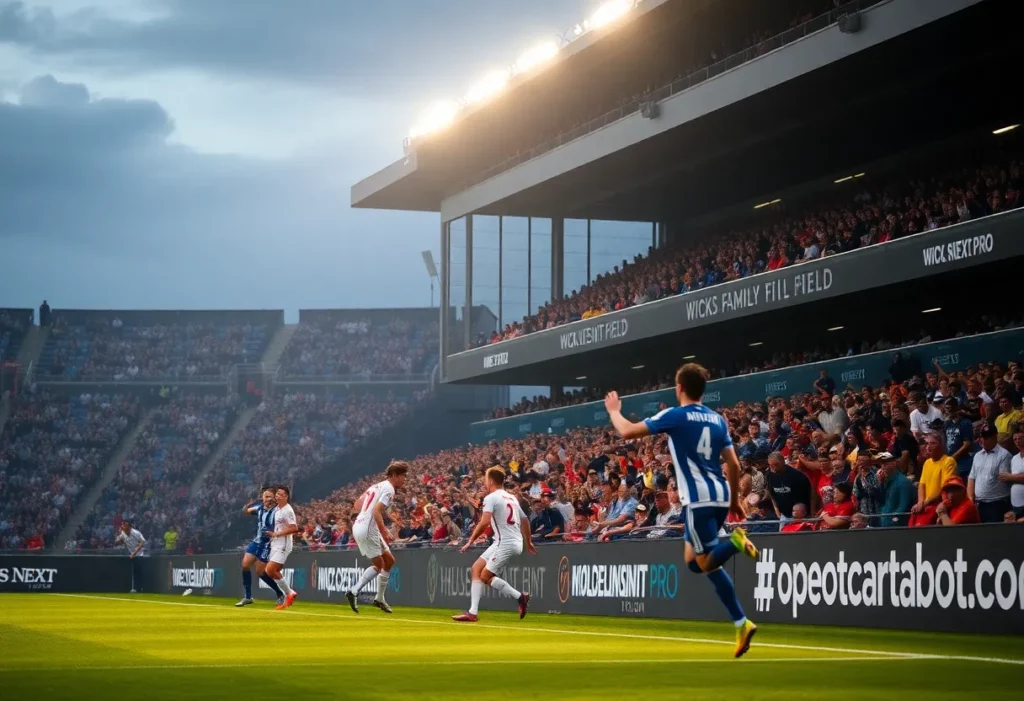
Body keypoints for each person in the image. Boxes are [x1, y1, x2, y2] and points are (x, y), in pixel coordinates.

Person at [603, 363, 759, 659]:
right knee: (696, 562)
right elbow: (735, 465)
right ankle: (741, 622)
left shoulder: (675, 415)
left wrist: (613, 410)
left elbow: (626, 432)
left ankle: (735, 543)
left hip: (698, 499)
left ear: (679, 389)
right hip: (721, 494)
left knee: (706, 559)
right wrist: (736, 500)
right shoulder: (717, 419)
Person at [452, 466, 536, 622]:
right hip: (507, 541)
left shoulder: (491, 498)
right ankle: (472, 612)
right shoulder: (511, 497)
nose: (484, 482)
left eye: (485, 479)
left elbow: (484, 522)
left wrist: (470, 540)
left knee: (485, 575)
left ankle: (520, 597)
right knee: (476, 568)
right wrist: (528, 541)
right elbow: (524, 520)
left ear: (490, 480)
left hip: (506, 543)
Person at [346, 461, 409, 614]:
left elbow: (359, 504)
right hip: (368, 528)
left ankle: (379, 597)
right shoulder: (389, 490)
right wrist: (384, 529)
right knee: (379, 564)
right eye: (403, 476)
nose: (404, 480)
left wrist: (391, 519)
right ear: (394, 475)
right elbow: (376, 511)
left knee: (389, 561)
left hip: (362, 526)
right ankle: (353, 591)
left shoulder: (377, 486)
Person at [236, 488, 284, 607]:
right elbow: (245, 511)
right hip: (257, 541)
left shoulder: (277, 511)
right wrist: (248, 504)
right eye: (266, 497)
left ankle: (280, 593)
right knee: (245, 565)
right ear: (262, 498)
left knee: (260, 571)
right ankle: (248, 597)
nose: (268, 499)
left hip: (268, 543)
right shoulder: (259, 508)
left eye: (270, 497)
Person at [967, 424, 1012, 523]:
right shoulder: (977, 456)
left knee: (993, 534)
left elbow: (1003, 478)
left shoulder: (1004, 455)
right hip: (978, 503)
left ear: (995, 437)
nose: (982, 440)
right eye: (981, 437)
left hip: (996, 503)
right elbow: (972, 477)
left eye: (986, 437)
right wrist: (971, 498)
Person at [909, 435, 957, 527]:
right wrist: (920, 502)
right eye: (927, 444)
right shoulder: (927, 463)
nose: (928, 447)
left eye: (932, 443)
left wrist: (925, 503)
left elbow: (944, 488)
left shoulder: (948, 461)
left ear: (941, 445)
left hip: (939, 505)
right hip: (926, 505)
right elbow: (921, 485)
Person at [265, 485, 299, 610]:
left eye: (281, 494)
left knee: (270, 569)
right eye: (277, 493)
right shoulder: (277, 509)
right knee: (274, 571)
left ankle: (289, 593)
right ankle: (290, 593)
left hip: (284, 544)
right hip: (276, 543)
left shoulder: (287, 510)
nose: (278, 495)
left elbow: (294, 528)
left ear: (286, 496)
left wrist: (277, 534)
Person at [114, 521, 146, 593]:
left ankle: (141, 588)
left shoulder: (136, 533)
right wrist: (118, 537)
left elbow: (143, 542)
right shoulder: (122, 533)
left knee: (139, 573)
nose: (123, 526)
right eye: (122, 524)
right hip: (131, 555)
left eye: (125, 524)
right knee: (134, 572)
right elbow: (118, 542)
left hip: (140, 555)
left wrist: (134, 553)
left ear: (129, 526)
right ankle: (135, 588)